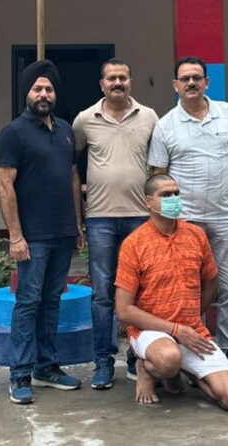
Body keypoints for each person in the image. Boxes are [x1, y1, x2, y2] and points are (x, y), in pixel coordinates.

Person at [148, 56, 228, 385]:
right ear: (175, 85)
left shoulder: (226, 113)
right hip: (185, 220)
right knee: (189, 292)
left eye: (197, 77)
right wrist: (165, 217)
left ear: (207, 82)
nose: (191, 83)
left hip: (223, 216)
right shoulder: (165, 125)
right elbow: (159, 175)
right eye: (185, 79)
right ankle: (194, 353)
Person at [115, 173, 228, 410]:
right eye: (166, 195)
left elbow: (211, 281)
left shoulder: (196, 235)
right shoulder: (134, 244)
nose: (174, 199)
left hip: (191, 330)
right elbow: (123, 310)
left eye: (176, 193)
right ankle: (147, 368)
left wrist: (192, 317)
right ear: (149, 202)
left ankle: (185, 371)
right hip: (149, 332)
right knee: (168, 358)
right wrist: (175, 329)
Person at [0, 60, 84, 405]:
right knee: (28, 303)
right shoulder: (13, 133)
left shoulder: (64, 129)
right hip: (32, 236)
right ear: (27, 93)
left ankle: (46, 367)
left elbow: (73, 178)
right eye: (37, 89)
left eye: (48, 89)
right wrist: (16, 236)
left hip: (63, 232)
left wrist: (77, 224)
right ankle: (20, 373)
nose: (43, 94)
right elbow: (5, 185)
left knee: (51, 301)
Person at [72, 58, 158, 390]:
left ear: (130, 81)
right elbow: (71, 163)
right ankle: (103, 362)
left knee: (141, 291)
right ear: (102, 84)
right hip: (100, 219)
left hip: (140, 218)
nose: (117, 82)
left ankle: (139, 357)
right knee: (102, 294)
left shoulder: (148, 117)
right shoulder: (85, 119)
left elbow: (160, 164)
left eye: (123, 77)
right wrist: (78, 213)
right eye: (111, 78)